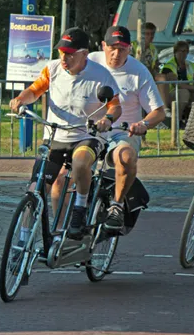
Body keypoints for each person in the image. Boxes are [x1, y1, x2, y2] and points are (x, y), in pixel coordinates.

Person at [9, 27, 122, 241]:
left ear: (84, 54)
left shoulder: (101, 75)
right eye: (62, 52)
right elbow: (35, 90)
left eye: (70, 53)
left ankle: (79, 209)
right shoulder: (52, 69)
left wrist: (107, 119)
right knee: (35, 190)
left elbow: (115, 106)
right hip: (56, 137)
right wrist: (20, 99)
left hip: (86, 135)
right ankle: (23, 242)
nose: (64, 57)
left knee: (80, 163)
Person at [85, 25, 166, 231]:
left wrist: (143, 124)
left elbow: (158, 111)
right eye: (112, 47)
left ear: (130, 48)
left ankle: (117, 206)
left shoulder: (138, 71)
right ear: (103, 45)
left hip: (123, 132)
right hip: (89, 131)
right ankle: (64, 225)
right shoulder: (89, 62)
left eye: (122, 48)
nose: (116, 53)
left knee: (127, 157)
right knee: (61, 174)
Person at [156, 40, 194, 123]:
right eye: (181, 51)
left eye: (185, 51)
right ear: (175, 52)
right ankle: (175, 121)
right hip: (170, 95)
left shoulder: (191, 65)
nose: (183, 54)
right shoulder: (169, 66)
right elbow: (178, 85)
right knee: (184, 93)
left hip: (189, 90)